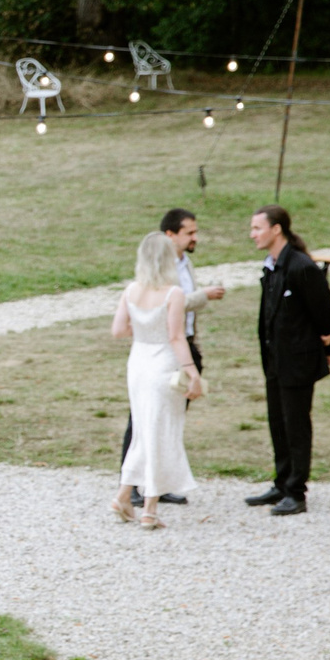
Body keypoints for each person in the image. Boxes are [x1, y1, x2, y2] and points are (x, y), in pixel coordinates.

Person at [120, 208, 222, 506]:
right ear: (170, 235)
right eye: (189, 232)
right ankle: (135, 487)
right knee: (145, 421)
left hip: (182, 344)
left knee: (168, 421)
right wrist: (203, 296)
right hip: (165, 352)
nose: (195, 237)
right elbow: (166, 304)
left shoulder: (185, 263)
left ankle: (158, 483)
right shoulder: (158, 274)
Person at [250, 203, 330, 516]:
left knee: (296, 425)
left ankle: (296, 492)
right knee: (278, 422)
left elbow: (325, 315)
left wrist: (328, 346)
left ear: (276, 229)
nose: (253, 234)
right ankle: (282, 481)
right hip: (275, 359)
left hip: (297, 361)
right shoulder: (272, 266)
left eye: (257, 228)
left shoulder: (301, 267)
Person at [113, 232, 202, 529]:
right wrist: (192, 371)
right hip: (162, 363)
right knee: (161, 432)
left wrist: (143, 331)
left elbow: (118, 330)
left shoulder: (131, 290)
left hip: (138, 363)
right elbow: (176, 336)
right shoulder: (173, 293)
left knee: (143, 430)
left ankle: (124, 495)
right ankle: (149, 507)